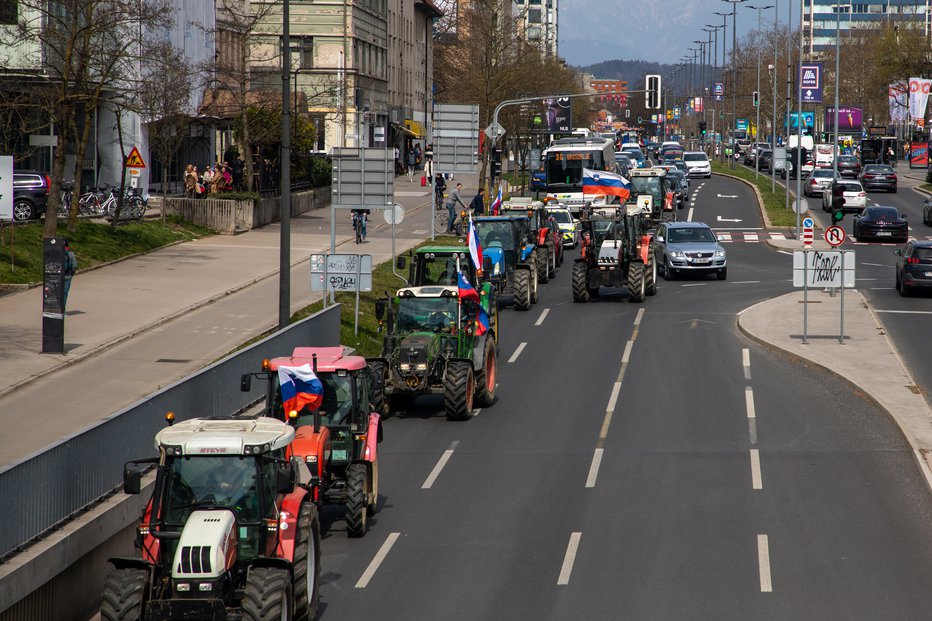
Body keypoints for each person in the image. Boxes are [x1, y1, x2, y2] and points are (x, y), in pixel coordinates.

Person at [63, 241, 77, 309]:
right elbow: (74, 265)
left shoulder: (57, 253)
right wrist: (72, 273)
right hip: (68, 275)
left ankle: (55, 308)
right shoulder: (71, 254)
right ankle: (63, 309)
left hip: (57, 276)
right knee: (65, 293)